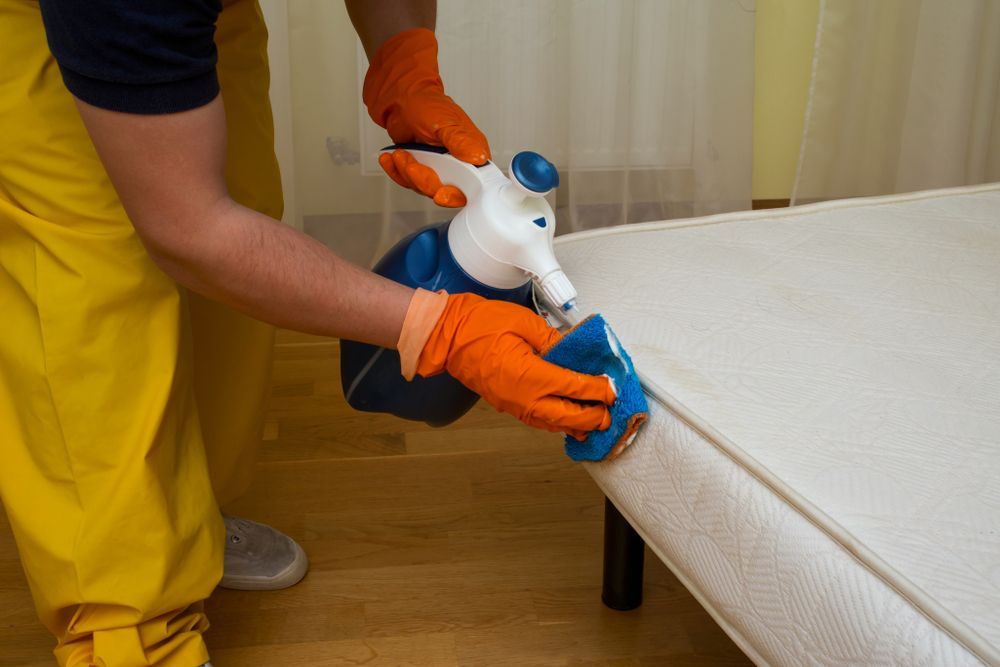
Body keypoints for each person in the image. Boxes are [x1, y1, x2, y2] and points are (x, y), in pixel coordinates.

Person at [0, 0, 617, 665]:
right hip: (68, 25)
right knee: (101, 295)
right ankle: (130, 631)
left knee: (241, 229)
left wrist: (403, 61)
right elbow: (190, 232)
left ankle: (187, 518)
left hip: (198, 16)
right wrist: (435, 326)